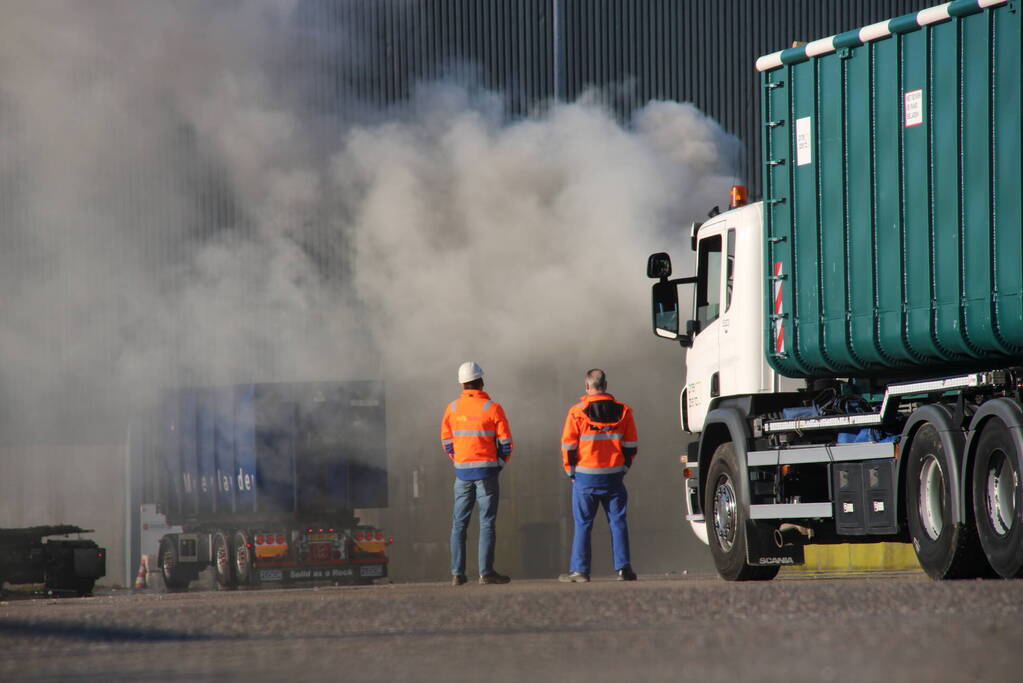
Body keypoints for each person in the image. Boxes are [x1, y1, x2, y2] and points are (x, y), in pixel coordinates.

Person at [559, 369, 638, 582]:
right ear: (606, 384)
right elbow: (631, 445)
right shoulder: (624, 411)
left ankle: (580, 571)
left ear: (587, 386)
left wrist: (571, 472)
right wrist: (623, 469)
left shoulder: (576, 412)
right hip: (614, 476)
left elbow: (568, 447)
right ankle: (624, 569)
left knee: (583, 523)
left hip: (585, 477)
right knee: (618, 521)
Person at [441, 361, 514, 585]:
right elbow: (507, 443)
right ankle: (486, 573)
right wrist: (498, 464)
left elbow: (446, 441)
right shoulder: (492, 408)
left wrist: (459, 461)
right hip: (487, 473)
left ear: (462, 384)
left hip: (462, 474)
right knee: (486, 523)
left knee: (459, 524)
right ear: (481, 382)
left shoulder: (452, 409)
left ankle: (457, 574)